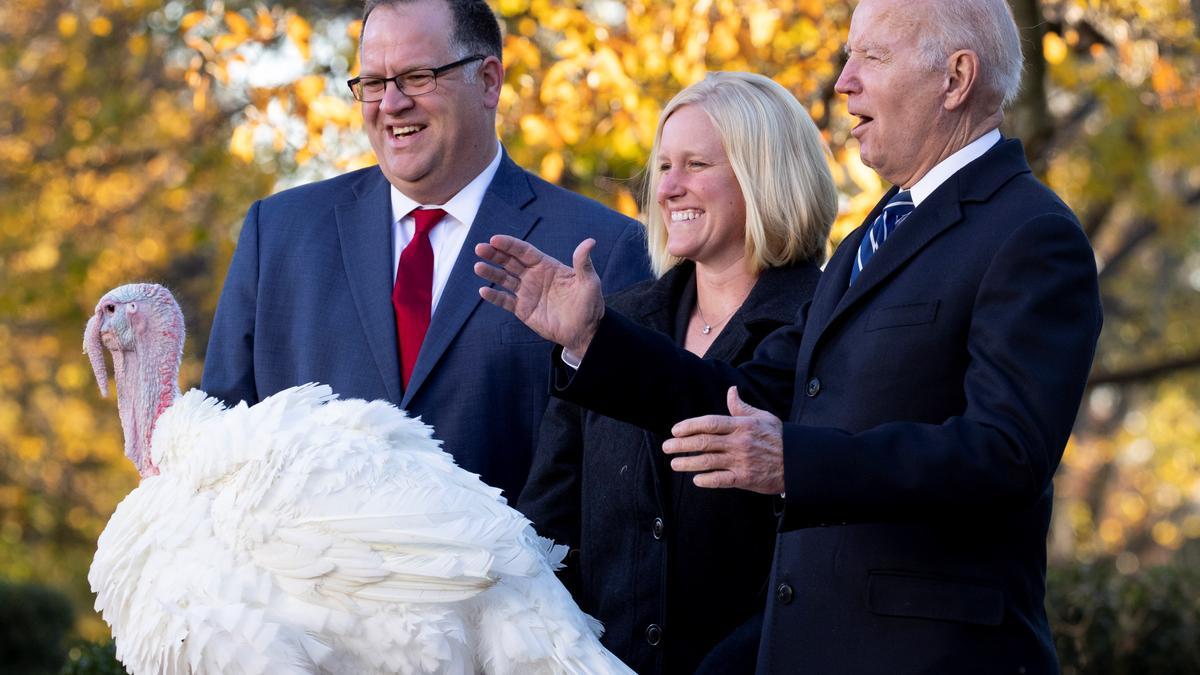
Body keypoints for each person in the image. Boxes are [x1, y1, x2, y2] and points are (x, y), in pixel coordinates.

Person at [475, 0, 1104, 671]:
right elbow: (749, 394)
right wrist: (594, 338)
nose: (844, 81)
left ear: (955, 79)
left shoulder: (1032, 234)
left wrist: (796, 464)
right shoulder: (876, 236)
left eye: (872, 57)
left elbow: (1005, 454)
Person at [202, 0, 649, 500]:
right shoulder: (279, 234)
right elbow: (218, 454)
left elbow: (623, 485)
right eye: (373, 83)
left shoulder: (602, 249)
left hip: (512, 576)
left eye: (417, 77)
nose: (391, 104)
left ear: (488, 82)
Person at [516, 72, 836, 675]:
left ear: (763, 173)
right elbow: (548, 529)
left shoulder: (827, 323)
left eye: (694, 164)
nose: (668, 188)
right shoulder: (618, 318)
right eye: (663, 167)